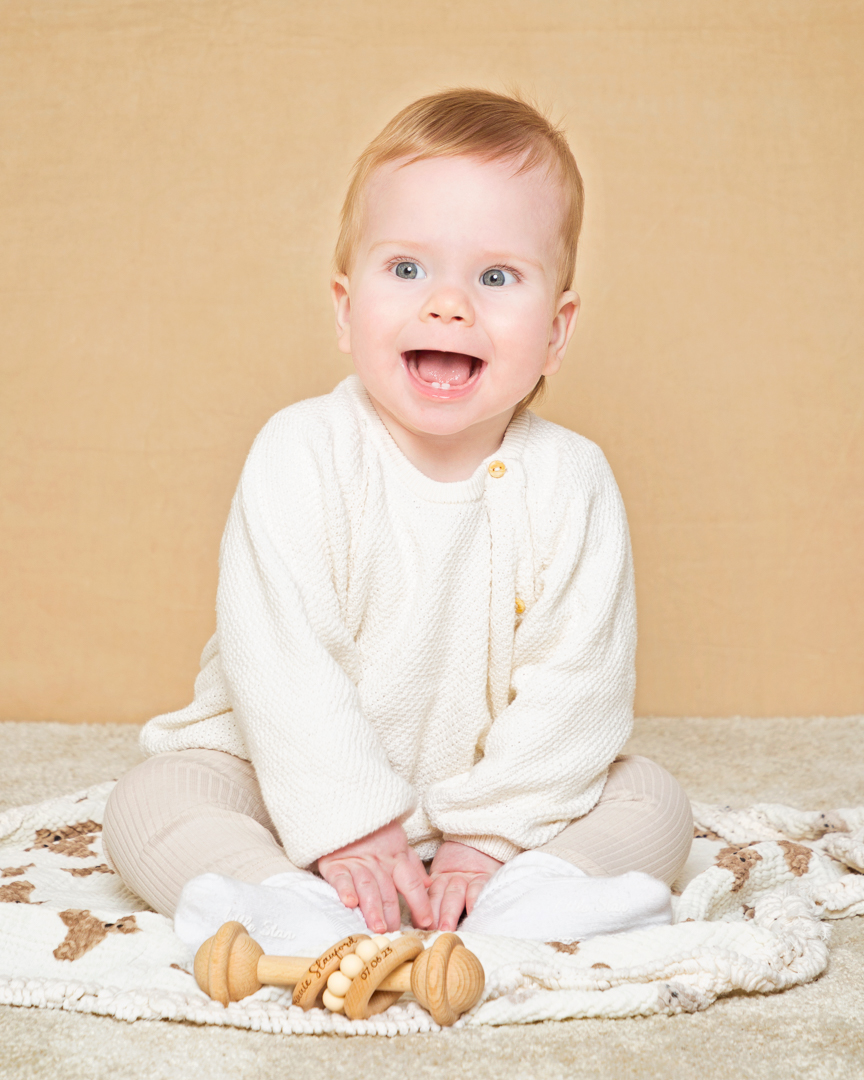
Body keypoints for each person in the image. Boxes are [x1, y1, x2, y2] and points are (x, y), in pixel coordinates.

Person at [102, 88, 692, 959]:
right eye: (408, 269)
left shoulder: (572, 481)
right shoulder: (301, 452)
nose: (449, 304)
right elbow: (283, 659)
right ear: (346, 308)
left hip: (492, 796)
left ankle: (530, 899)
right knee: (151, 800)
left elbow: (580, 684)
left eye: (496, 277)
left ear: (557, 331)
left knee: (653, 796)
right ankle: (283, 903)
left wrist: (488, 836)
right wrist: (347, 823)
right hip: (281, 777)